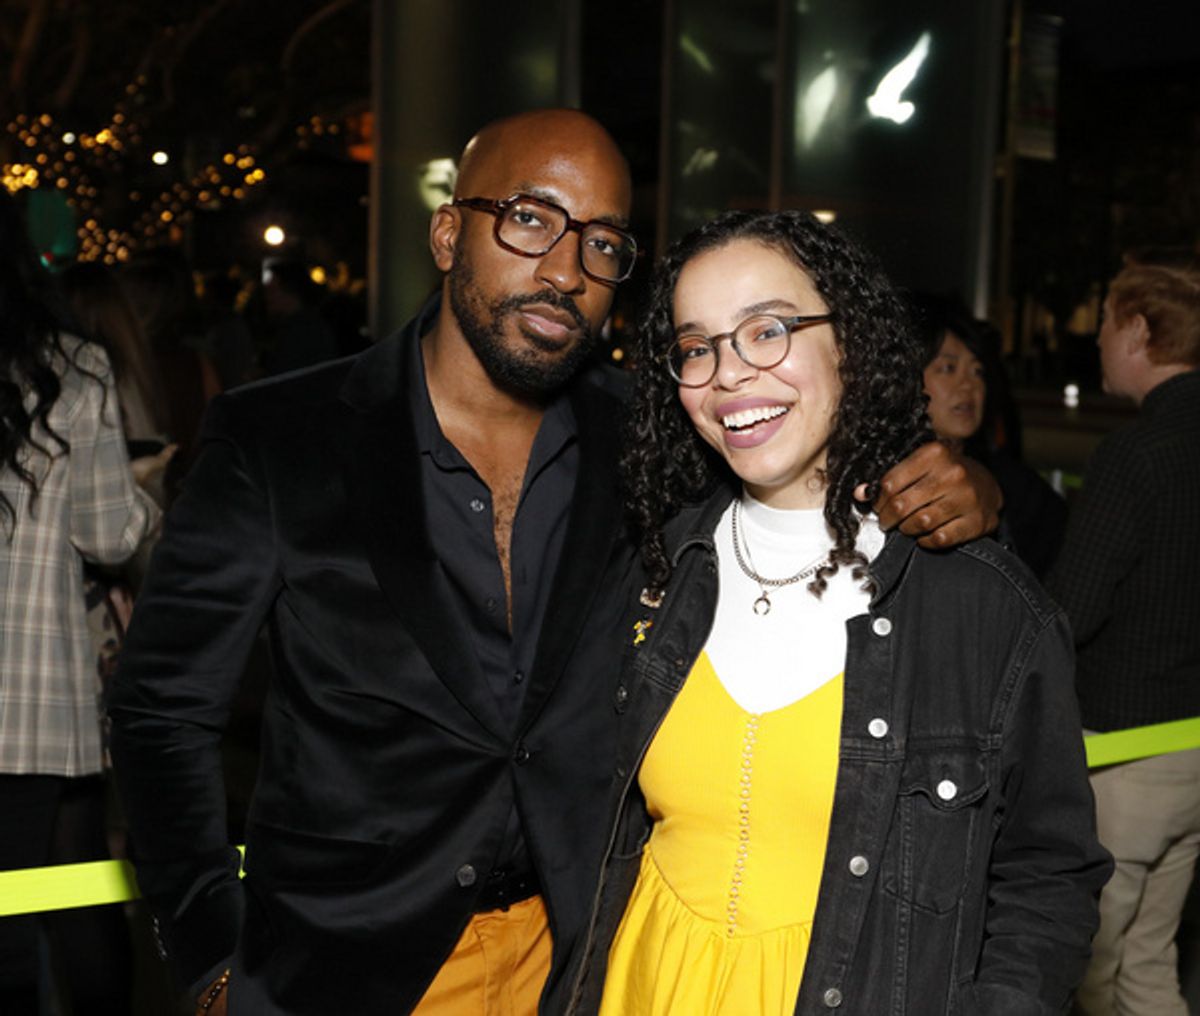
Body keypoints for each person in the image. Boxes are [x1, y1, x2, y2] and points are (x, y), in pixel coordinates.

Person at [108, 110, 1001, 1016]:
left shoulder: (652, 440)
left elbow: (807, 461)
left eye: (606, 243)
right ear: (449, 232)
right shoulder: (278, 440)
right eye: (532, 219)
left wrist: (963, 486)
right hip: (341, 967)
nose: (567, 271)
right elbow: (157, 710)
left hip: (579, 958)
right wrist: (212, 958)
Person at [569, 210, 1110, 1015]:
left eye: (767, 331)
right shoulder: (654, 568)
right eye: (697, 346)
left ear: (848, 345)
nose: (729, 374)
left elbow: (1046, 874)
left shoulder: (981, 603)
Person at [0, 189, 161, 1014]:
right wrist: (144, 504)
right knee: (33, 907)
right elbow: (108, 535)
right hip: (30, 701)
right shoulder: (75, 367)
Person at [1048, 253, 1200, 1016]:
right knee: (1149, 962)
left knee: (1092, 972)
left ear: (1139, 330)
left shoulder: (1137, 454)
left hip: (1126, 752)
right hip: (1195, 755)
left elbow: (1070, 609)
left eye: (1106, 323)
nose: (1099, 339)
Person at [912, 292, 1066, 578]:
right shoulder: (877, 481)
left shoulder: (1017, 488)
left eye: (977, 371)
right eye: (948, 368)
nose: (969, 384)